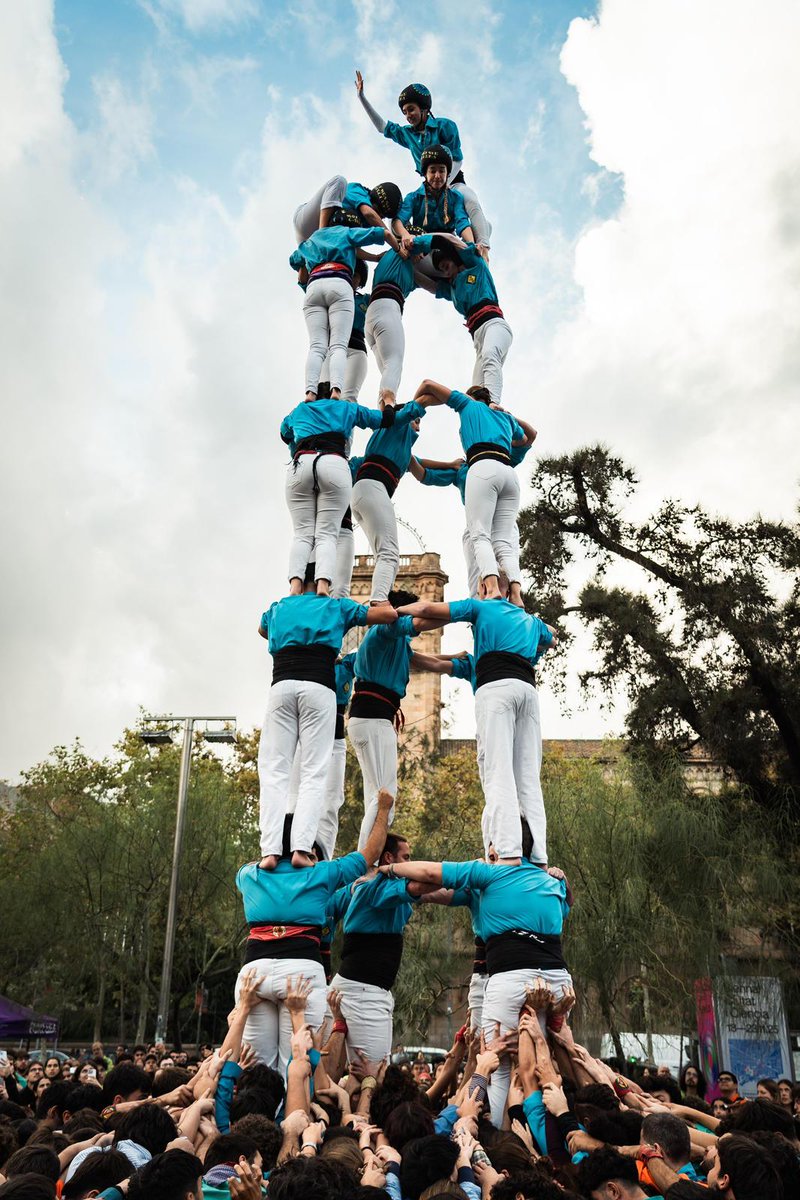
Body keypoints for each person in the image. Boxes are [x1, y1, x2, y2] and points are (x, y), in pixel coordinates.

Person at [378, 850, 572, 1125]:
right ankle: (499, 1123)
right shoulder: (480, 879)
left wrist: (560, 880)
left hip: (515, 973)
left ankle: (520, 1121)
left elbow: (563, 905)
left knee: (529, 1053)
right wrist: (397, 882)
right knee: (492, 1057)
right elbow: (430, 889)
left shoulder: (529, 879)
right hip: (490, 977)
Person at [234, 789, 393, 1072]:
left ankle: (254, 1102)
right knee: (298, 1064)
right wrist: (383, 809)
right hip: (301, 974)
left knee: (255, 1069)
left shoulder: (247, 874)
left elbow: (260, 864)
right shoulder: (321, 873)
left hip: (255, 973)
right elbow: (370, 854)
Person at [395, 590, 556, 862]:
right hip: (524, 700)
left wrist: (391, 614)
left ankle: (505, 851)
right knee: (523, 780)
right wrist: (407, 655)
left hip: (496, 713)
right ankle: (534, 854)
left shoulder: (483, 629)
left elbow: (429, 622)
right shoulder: (524, 633)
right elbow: (434, 662)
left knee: (497, 778)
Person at [256, 572, 396, 869]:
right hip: (318, 691)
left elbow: (262, 629)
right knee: (313, 774)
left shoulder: (280, 607)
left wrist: (294, 630)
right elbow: (387, 615)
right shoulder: (335, 606)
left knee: (274, 771)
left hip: (282, 686)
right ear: (326, 581)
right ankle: (301, 848)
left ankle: (270, 850)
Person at [280, 393, 416, 595]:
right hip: (333, 465)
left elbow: (284, 433)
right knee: (327, 535)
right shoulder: (346, 408)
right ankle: (323, 585)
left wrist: (298, 445)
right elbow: (385, 419)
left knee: (302, 534)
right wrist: (388, 403)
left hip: (302, 461)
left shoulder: (300, 410)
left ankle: (295, 585)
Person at [346, 589, 448, 850]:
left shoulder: (396, 642)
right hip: (373, 718)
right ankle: (365, 861)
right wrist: (463, 613)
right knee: (385, 797)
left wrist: (460, 659)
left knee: (376, 795)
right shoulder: (385, 630)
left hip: (371, 718)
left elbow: (430, 661)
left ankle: (366, 857)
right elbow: (422, 620)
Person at [413, 379, 531, 602]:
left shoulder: (467, 405)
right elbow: (525, 438)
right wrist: (504, 417)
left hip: (482, 466)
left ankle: (492, 590)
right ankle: (516, 596)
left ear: (471, 397)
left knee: (479, 534)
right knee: (504, 543)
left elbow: (427, 384)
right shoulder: (505, 417)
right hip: (508, 473)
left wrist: (413, 412)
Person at [356, 75, 492, 251]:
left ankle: (483, 247)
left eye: (411, 110)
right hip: (429, 185)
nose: (408, 116)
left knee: (470, 198)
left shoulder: (446, 126)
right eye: (404, 112)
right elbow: (382, 126)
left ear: (424, 108)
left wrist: (444, 184)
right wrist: (362, 97)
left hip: (452, 181)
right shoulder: (407, 134)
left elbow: (457, 159)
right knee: (397, 218)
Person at [326, 834, 427, 1061]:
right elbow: (426, 881)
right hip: (363, 993)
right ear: (389, 858)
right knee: (372, 1072)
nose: (410, 863)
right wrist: (463, 874)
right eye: (406, 858)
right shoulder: (376, 888)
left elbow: (435, 891)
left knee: (361, 1071)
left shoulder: (382, 887)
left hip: (363, 990)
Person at [289, 224, 398, 402]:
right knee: (324, 391)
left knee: (349, 398)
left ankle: (323, 398)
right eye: (354, 275)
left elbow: (382, 306)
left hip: (356, 349)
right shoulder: (338, 284)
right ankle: (317, 394)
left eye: (357, 277)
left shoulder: (366, 300)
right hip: (332, 347)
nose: (354, 279)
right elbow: (302, 279)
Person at [349, 401, 441, 606]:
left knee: (384, 555)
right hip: (374, 489)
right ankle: (379, 602)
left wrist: (451, 464)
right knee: (389, 554)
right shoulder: (395, 426)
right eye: (416, 421)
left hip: (361, 494)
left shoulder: (398, 451)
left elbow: (420, 465)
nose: (418, 428)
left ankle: (382, 598)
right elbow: (414, 405)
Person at [285, 651, 356, 861]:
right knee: (295, 799)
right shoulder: (307, 661)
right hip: (307, 738)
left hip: (334, 737)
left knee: (332, 801)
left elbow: (375, 651)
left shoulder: (347, 664)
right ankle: (290, 851)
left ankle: (323, 857)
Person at [425, 235, 512, 404]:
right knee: (475, 392)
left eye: (446, 265)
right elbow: (429, 286)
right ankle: (483, 413)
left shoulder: (476, 266)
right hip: (478, 338)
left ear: (454, 259)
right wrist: (408, 265)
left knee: (490, 354)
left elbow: (454, 242)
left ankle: (494, 404)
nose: (446, 272)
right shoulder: (453, 289)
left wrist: (432, 238)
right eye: (442, 270)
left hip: (494, 325)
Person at [363, 229, 437, 406]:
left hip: (372, 316)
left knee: (388, 370)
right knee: (394, 363)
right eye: (422, 252)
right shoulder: (401, 251)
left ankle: (385, 408)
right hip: (387, 308)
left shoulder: (407, 269)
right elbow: (411, 241)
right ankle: (388, 405)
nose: (422, 257)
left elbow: (434, 287)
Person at [392, 146, 476, 257]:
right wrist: (405, 235)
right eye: (432, 171)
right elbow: (397, 221)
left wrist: (472, 245)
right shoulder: (413, 197)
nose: (437, 176)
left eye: (441, 171)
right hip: (422, 246)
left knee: (482, 231)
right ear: (425, 174)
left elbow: (462, 223)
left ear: (448, 174)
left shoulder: (456, 197)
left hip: (447, 245)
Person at [293, 175, 402, 243]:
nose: (380, 218)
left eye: (383, 217)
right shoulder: (359, 190)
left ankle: (319, 244)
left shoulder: (368, 225)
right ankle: (322, 234)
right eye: (379, 213)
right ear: (373, 200)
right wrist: (391, 238)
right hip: (307, 222)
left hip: (309, 242)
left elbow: (351, 245)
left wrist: (376, 257)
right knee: (339, 180)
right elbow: (368, 214)